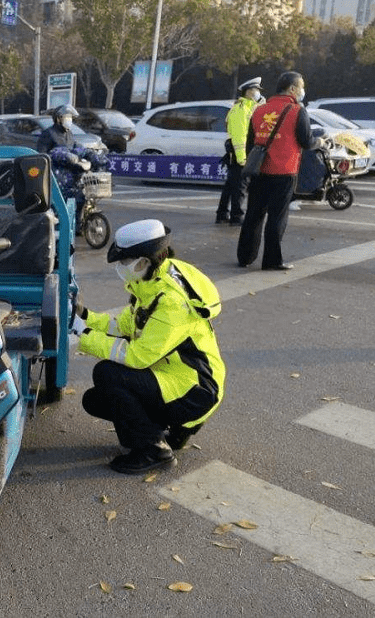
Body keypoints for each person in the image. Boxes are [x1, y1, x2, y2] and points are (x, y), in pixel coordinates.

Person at [72, 219, 226, 474]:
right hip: (179, 378)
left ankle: (154, 449)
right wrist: (85, 316)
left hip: (194, 390)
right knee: (95, 400)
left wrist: (82, 334)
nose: (122, 268)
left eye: (125, 262)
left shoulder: (171, 303)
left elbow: (136, 356)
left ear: (146, 261)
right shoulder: (152, 283)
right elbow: (124, 327)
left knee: (107, 374)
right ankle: (174, 431)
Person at [237, 71, 324, 270]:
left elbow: (251, 144)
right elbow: (306, 141)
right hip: (284, 172)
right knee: (277, 217)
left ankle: (245, 257)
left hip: (259, 171)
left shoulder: (259, 110)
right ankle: (272, 261)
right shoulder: (297, 111)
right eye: (301, 87)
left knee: (253, 215)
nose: (302, 91)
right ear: (292, 89)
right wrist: (320, 141)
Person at [36, 104, 106, 225]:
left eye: (71, 118)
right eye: (67, 117)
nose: (70, 120)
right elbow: (42, 156)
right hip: (57, 177)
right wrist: (63, 156)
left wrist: (90, 155)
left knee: (80, 197)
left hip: (72, 174)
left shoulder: (69, 134)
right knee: (61, 203)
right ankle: (60, 226)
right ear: (59, 119)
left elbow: (76, 147)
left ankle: (77, 224)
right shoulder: (48, 134)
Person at [216, 77, 263, 226]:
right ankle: (236, 216)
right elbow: (239, 136)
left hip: (238, 155)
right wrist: (243, 159)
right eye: (255, 90)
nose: (257, 93)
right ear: (248, 92)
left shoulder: (248, 107)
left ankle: (222, 214)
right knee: (240, 187)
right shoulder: (241, 109)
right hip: (239, 155)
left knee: (231, 185)